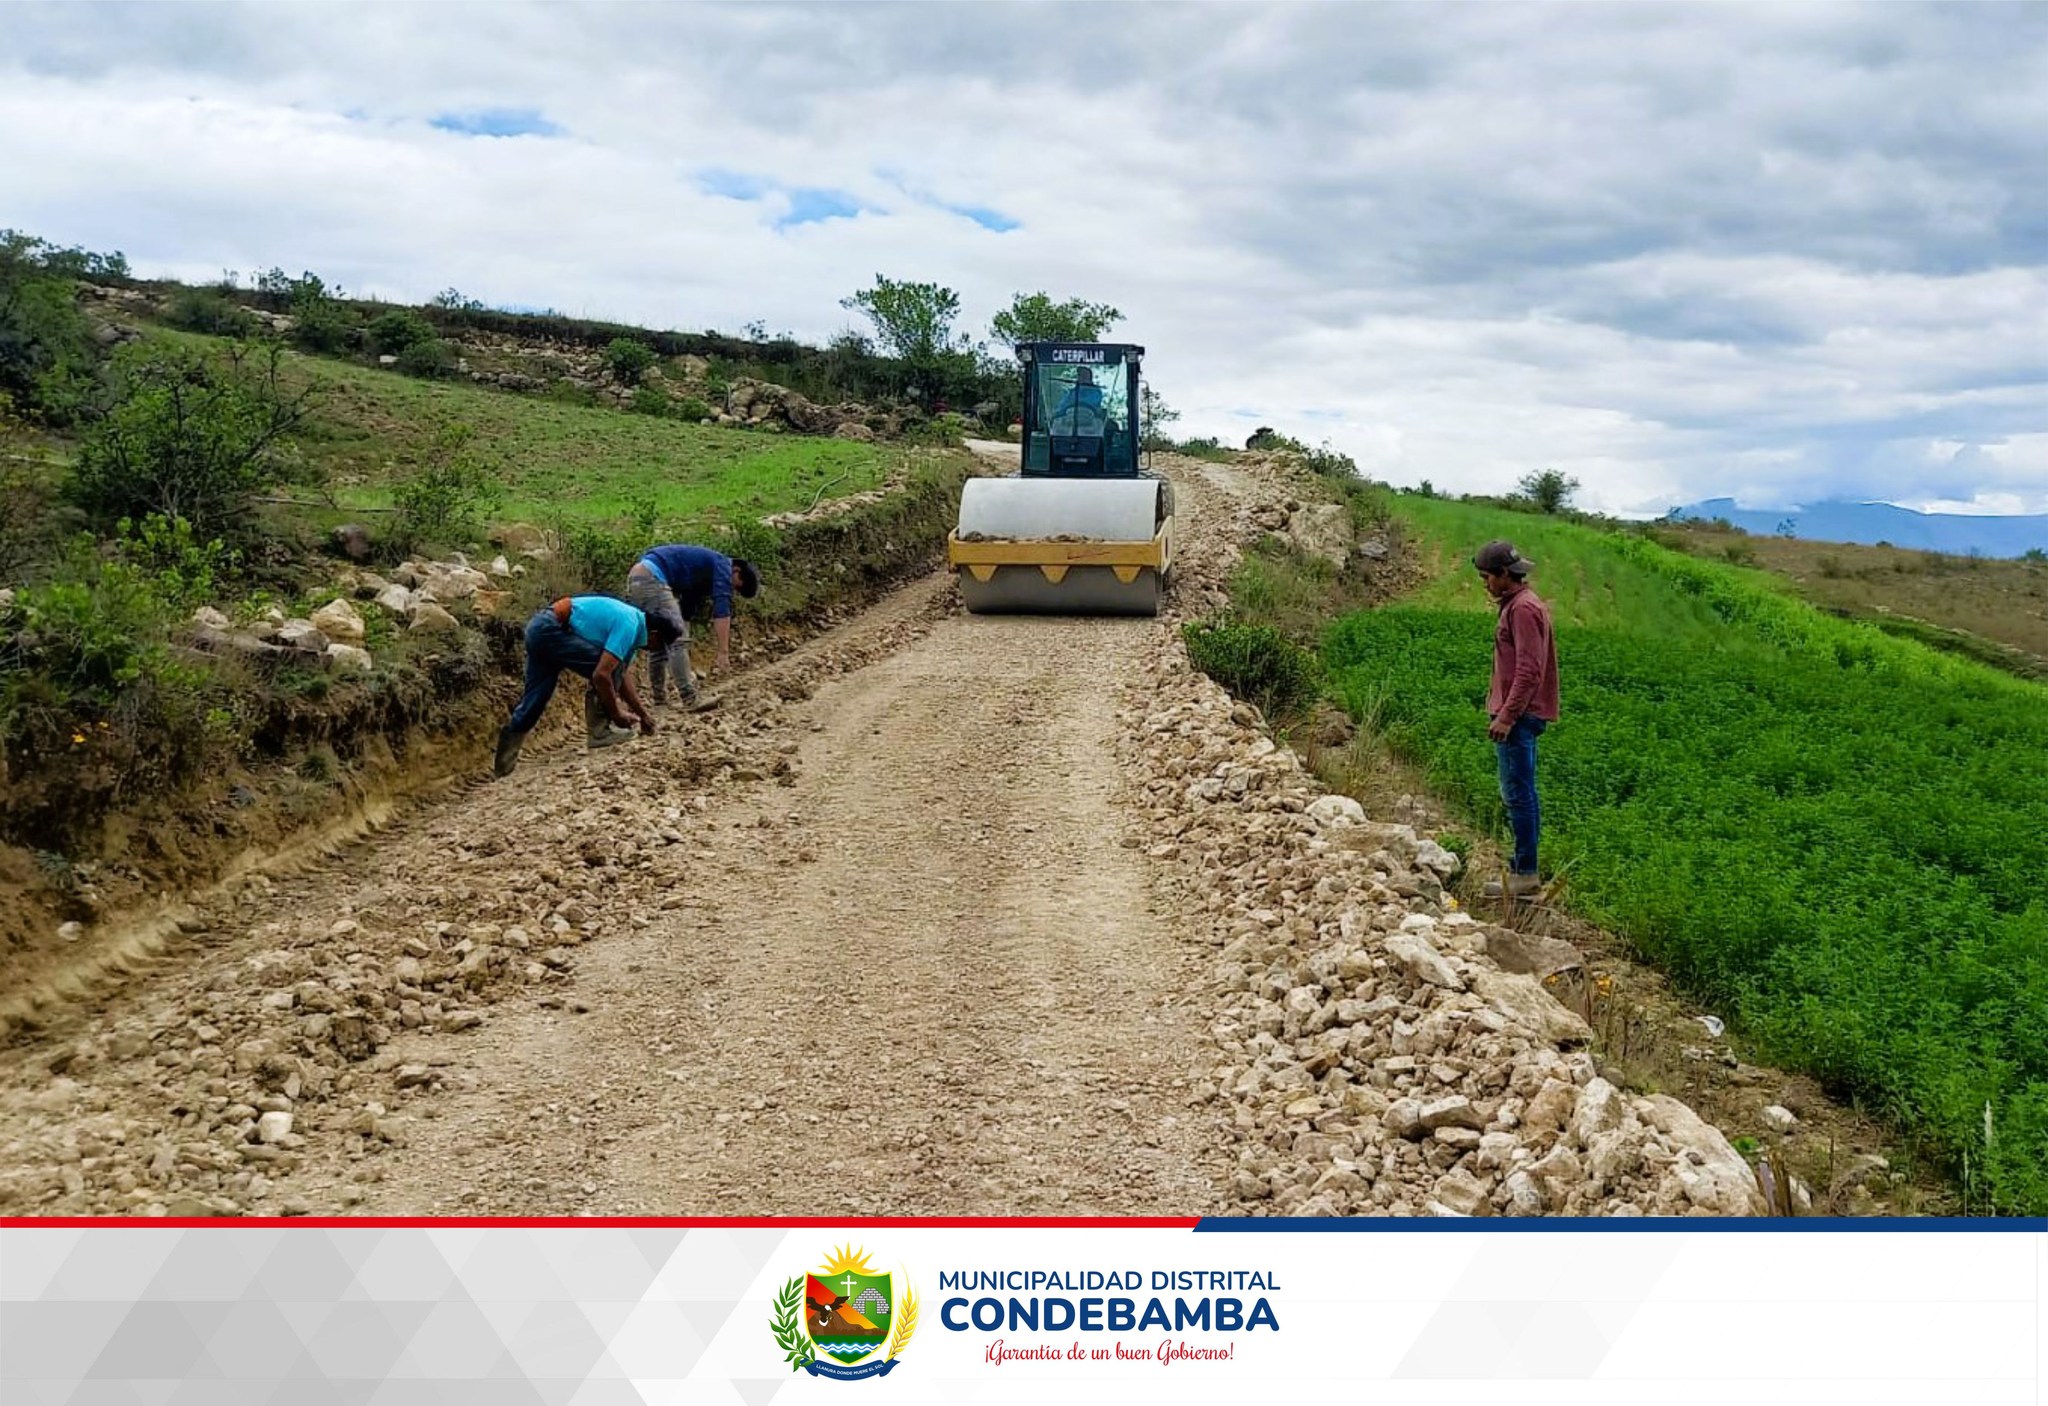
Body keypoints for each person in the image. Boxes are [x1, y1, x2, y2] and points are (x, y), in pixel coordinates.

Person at [492, 595, 673, 778]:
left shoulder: (632, 627)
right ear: (654, 633)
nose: (655, 650)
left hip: (539, 628)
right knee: (605, 669)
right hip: (551, 628)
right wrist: (616, 713)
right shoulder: (630, 624)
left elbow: (623, 677)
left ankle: (503, 766)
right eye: (659, 645)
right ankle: (600, 732)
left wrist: (643, 715)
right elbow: (602, 675)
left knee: (536, 698)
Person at [1474, 539, 1559, 898]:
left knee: (1518, 794)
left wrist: (1506, 716)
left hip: (1519, 715)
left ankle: (1525, 874)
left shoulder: (1522, 610)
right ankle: (1522, 866)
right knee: (1522, 792)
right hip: (1519, 711)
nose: (1485, 584)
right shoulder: (1518, 604)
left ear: (1504, 575)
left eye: (1487, 577)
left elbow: (1528, 670)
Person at [624, 544, 759, 708]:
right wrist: (723, 651)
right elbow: (722, 610)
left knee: (659, 642)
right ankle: (690, 698)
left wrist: (683, 620)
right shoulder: (723, 565)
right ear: (736, 570)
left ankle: (659, 701)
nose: (731, 589)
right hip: (653, 579)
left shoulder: (705, 569)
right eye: (735, 585)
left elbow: (689, 601)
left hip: (637, 577)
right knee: (677, 639)